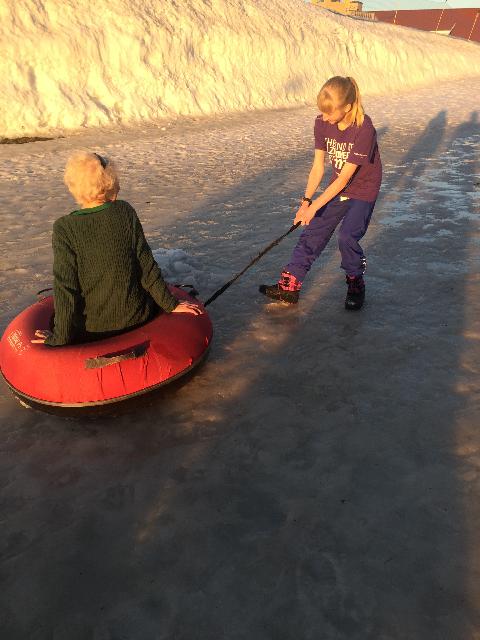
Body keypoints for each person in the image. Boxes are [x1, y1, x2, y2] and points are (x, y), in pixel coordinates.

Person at [33, 151, 201, 346]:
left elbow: (65, 287)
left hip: (92, 330)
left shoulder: (64, 227)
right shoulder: (125, 211)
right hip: (137, 318)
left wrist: (59, 337)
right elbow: (147, 267)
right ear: (108, 180)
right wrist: (170, 305)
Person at [259, 76, 382, 310]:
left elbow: (345, 178)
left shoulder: (364, 129)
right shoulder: (322, 123)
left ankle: (355, 282)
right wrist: (306, 202)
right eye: (322, 112)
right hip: (338, 186)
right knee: (314, 229)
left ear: (347, 107)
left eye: (329, 112)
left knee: (347, 237)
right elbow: (318, 166)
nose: (324, 118)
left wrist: (315, 206)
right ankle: (290, 285)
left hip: (364, 189)